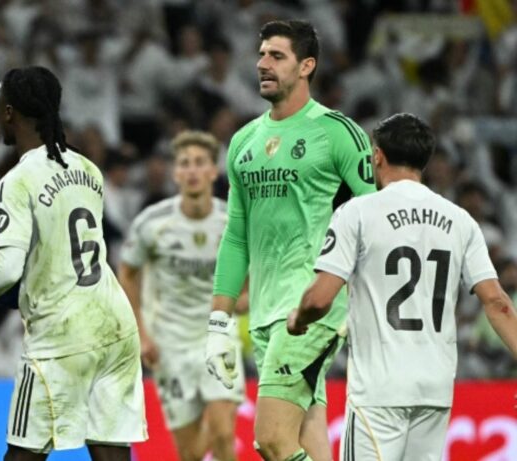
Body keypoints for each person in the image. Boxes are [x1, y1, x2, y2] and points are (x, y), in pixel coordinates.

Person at [286, 113, 517, 461]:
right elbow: (497, 302)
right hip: (435, 390)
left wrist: (298, 318)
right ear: (424, 161)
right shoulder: (460, 220)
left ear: (376, 156)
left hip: (380, 390)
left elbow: (320, 298)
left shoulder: (358, 213)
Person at [0, 66, 147, 461]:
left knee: (23, 454)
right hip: (114, 322)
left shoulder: (17, 180)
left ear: (9, 113)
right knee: (111, 451)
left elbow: (7, 268)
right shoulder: (88, 169)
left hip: (62, 331)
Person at [204, 20, 376, 461]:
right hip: (264, 310)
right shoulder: (244, 142)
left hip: (311, 308)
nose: (262, 64)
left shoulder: (336, 132)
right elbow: (236, 234)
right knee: (308, 434)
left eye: (276, 56)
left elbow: (378, 215)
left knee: (273, 440)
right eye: (261, 55)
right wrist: (219, 322)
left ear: (306, 66)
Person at [118, 130, 245, 461]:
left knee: (223, 433)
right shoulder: (153, 222)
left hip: (217, 337)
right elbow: (127, 273)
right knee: (189, 453)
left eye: (200, 163)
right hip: (170, 342)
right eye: (185, 163)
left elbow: (252, 275)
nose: (192, 170)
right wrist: (141, 334)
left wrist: (242, 300)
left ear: (213, 171)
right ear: (175, 173)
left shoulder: (233, 222)